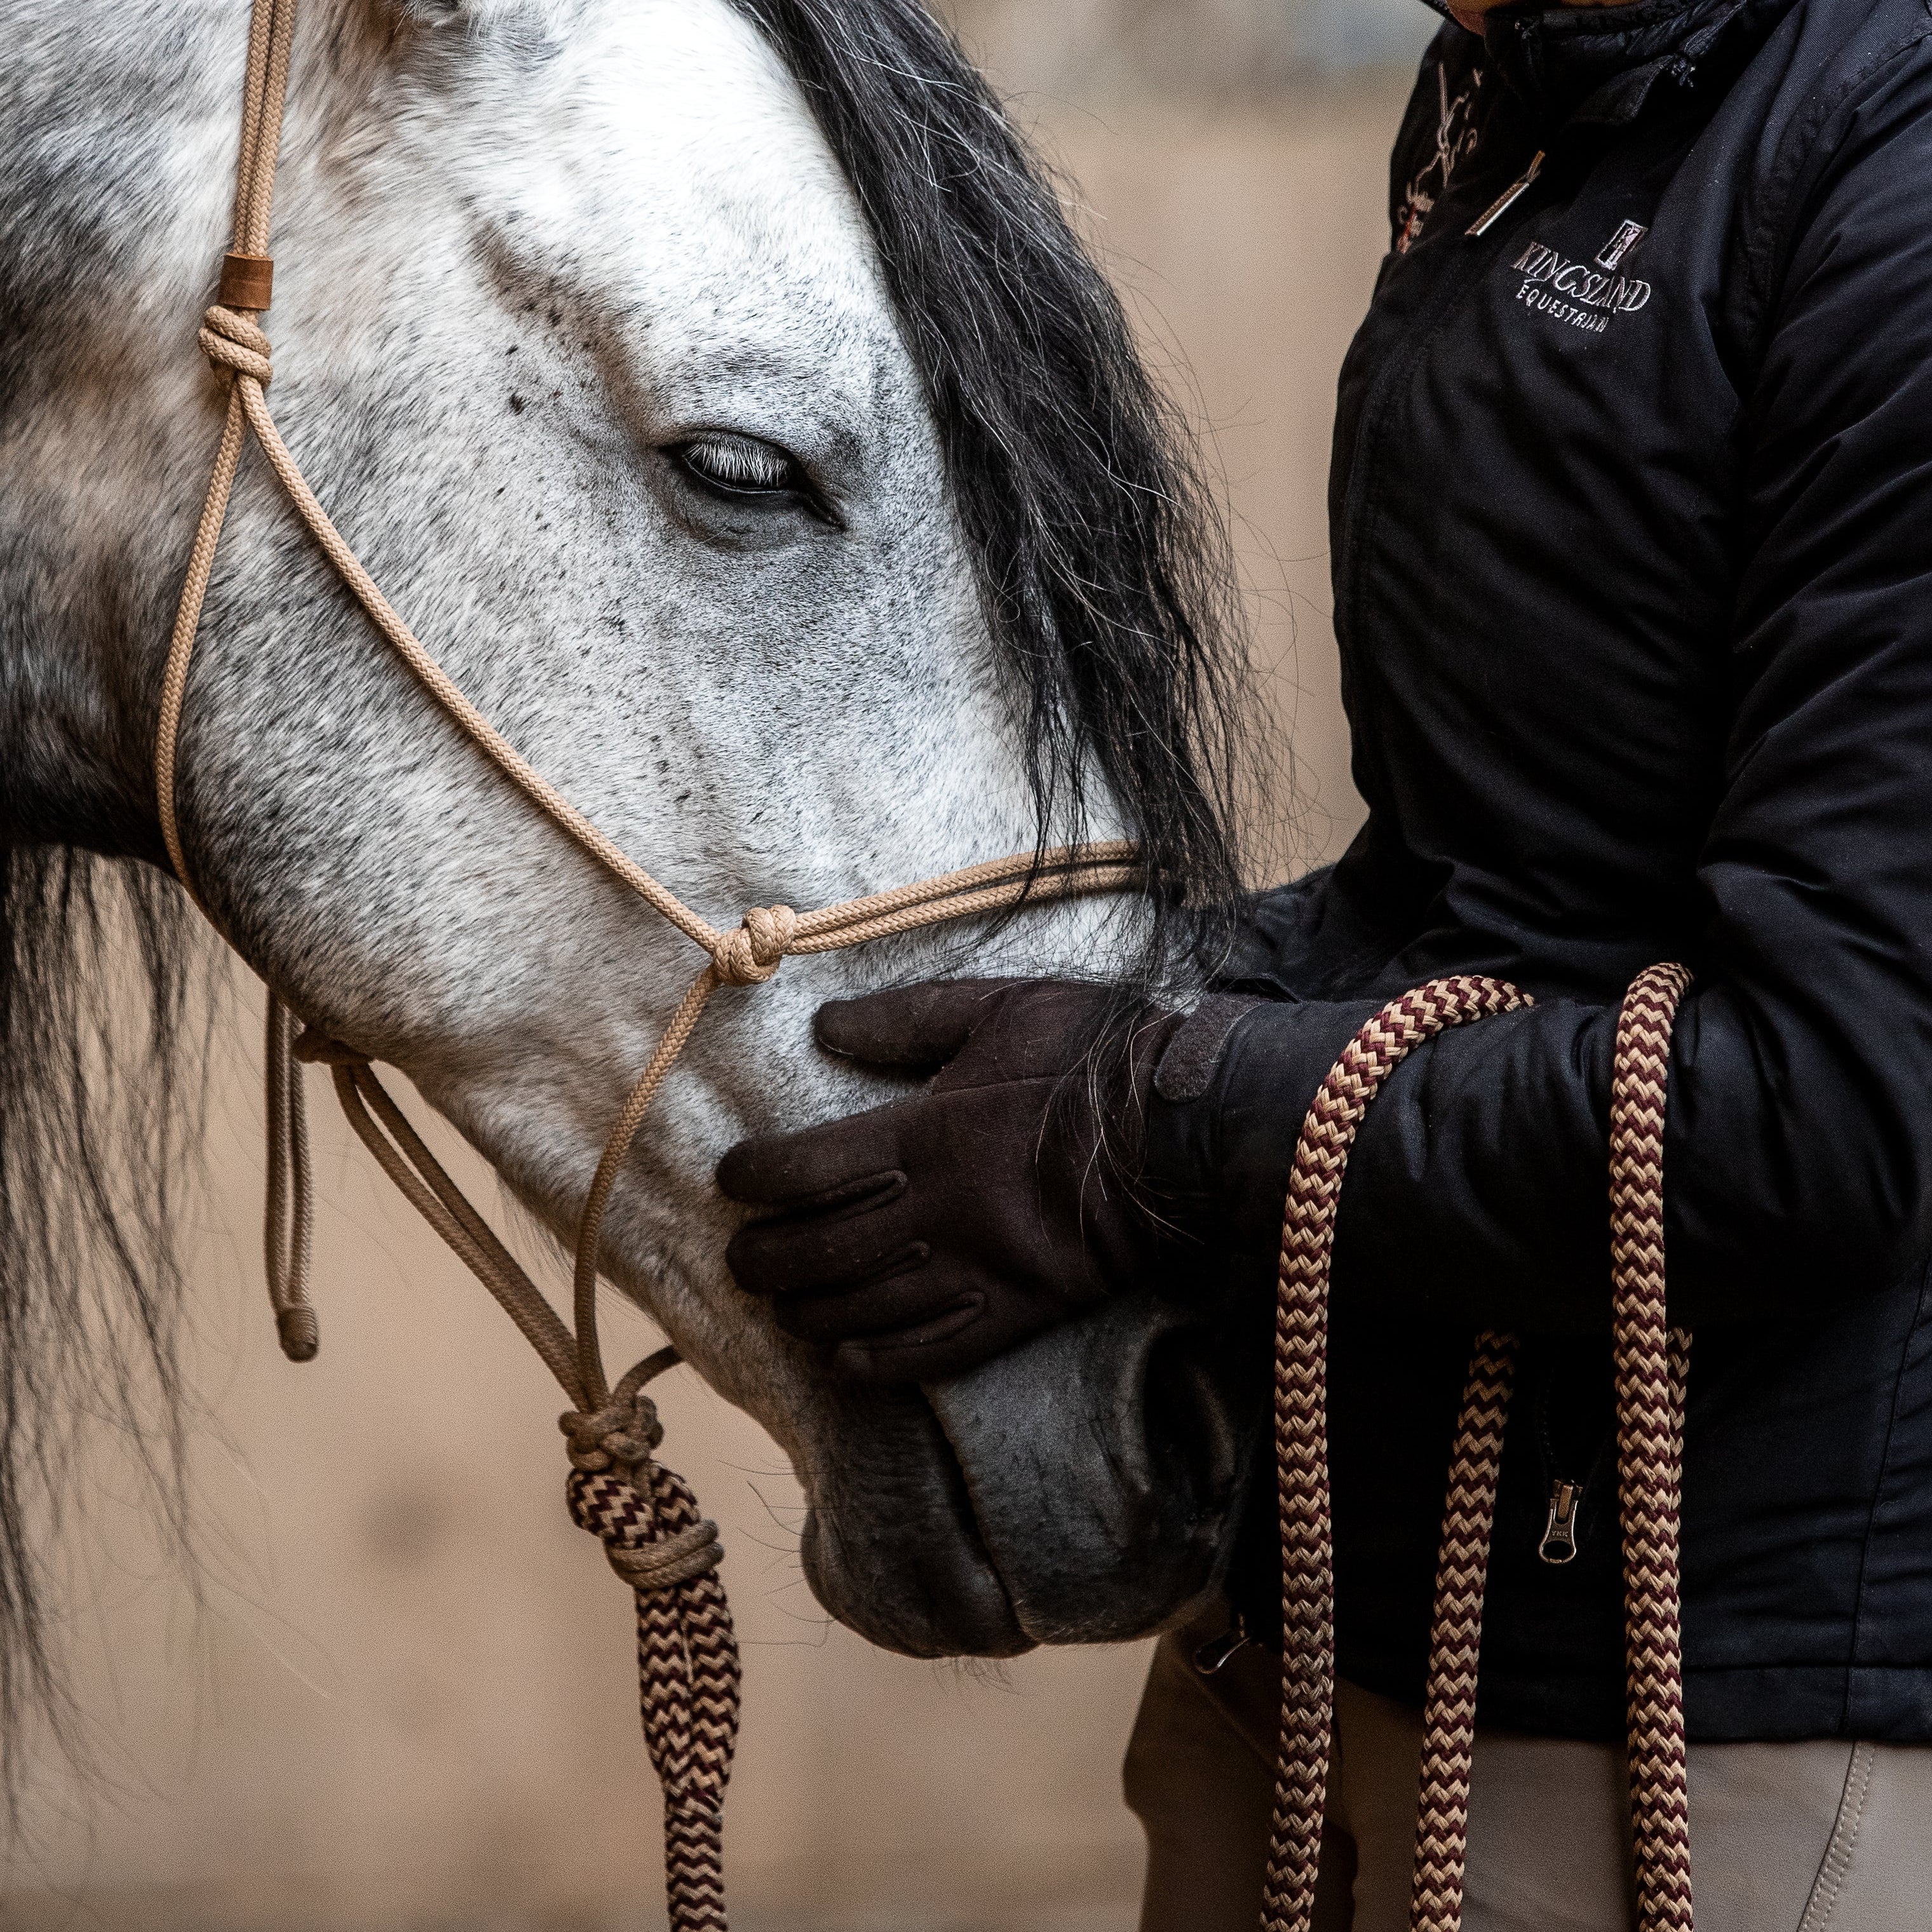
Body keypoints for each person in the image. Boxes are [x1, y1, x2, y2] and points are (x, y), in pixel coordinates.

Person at [718, 0, 1932, 1924]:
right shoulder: (1506, 88)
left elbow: (1825, 1107)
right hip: (1322, 1594)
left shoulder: (1888, 160)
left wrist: (1150, 1116)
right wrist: (1104, 1003)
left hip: (1688, 1699)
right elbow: (1478, 883)